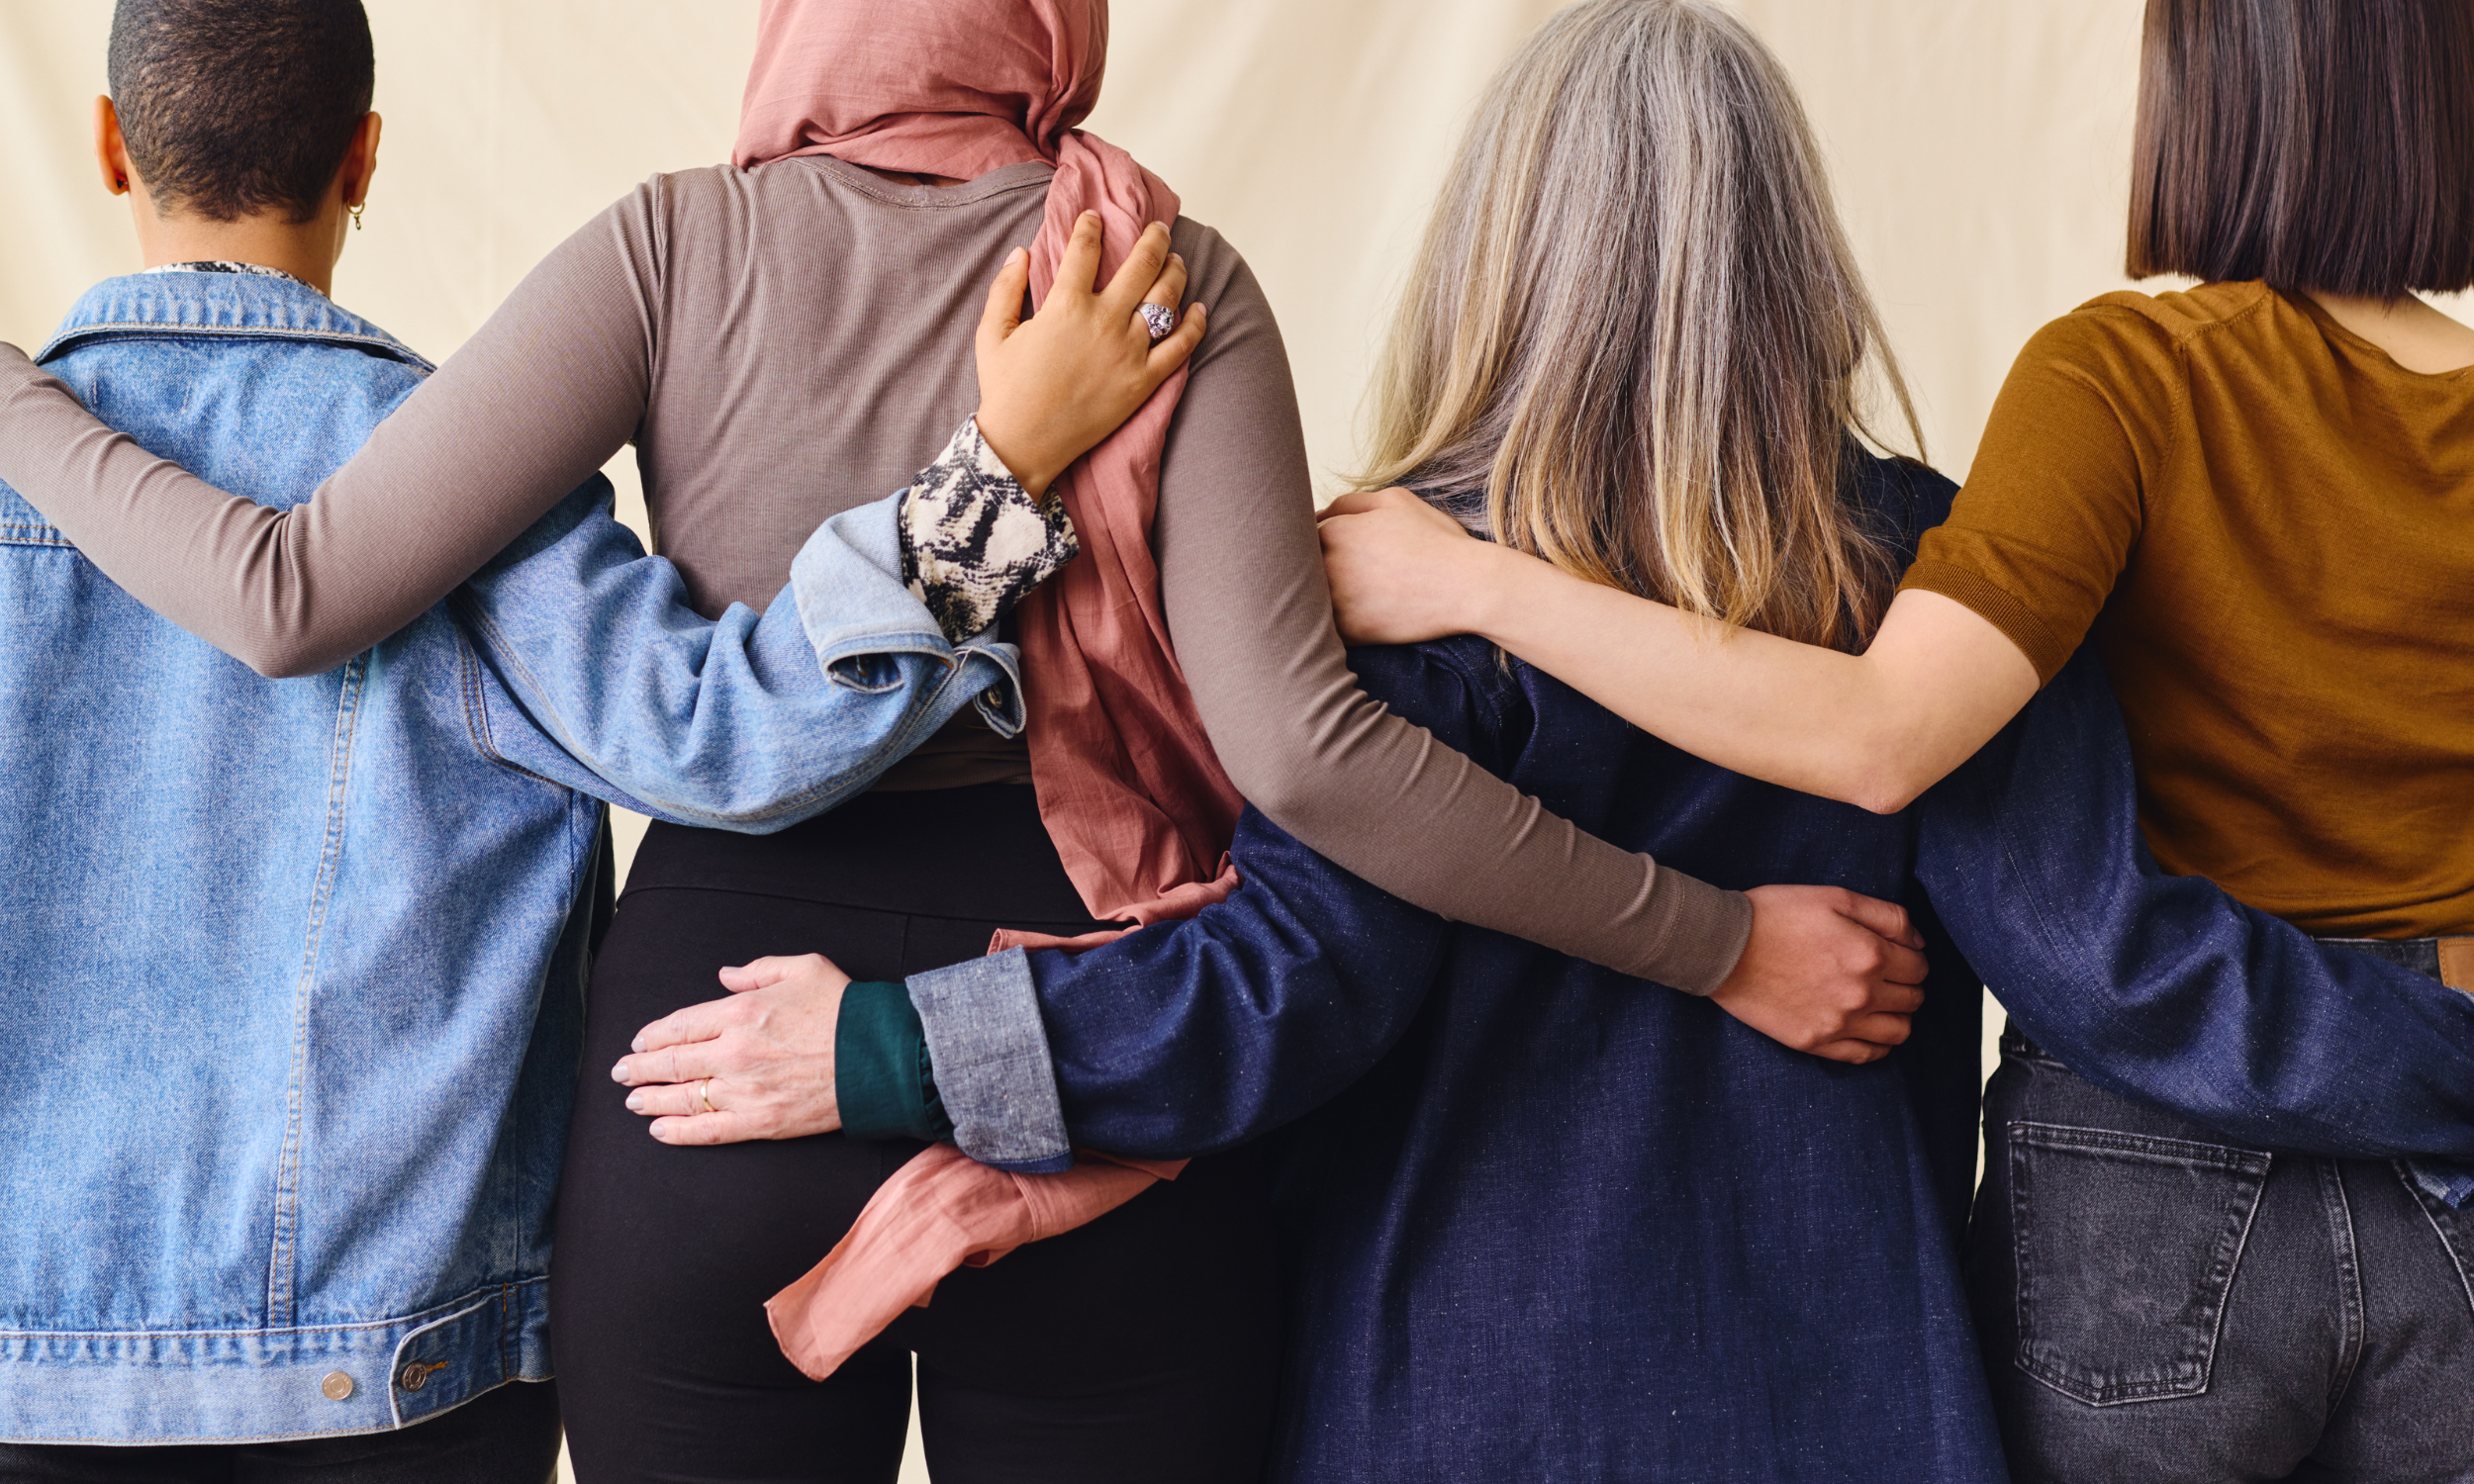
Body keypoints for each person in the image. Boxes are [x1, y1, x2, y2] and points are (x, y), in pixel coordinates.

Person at [0, 1, 1954, 1479]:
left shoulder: (670, 249)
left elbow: (291, 591)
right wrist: (1714, 937)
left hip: (706, 1077)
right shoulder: (1161, 278)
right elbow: (1311, 766)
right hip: (1103, 1077)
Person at [0, 0, 1180, 1474]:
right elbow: (721, 739)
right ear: (366, 160)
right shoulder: (467, 497)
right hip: (392, 1377)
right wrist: (995, 480)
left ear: (108, 145)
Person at [1314, 0, 2474, 1476]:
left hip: (1472, 1356)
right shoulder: (1903, 540)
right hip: (1873, 1346)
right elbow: (2074, 928)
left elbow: (1302, 989)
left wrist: (1479, 584)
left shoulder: (2118, 384)